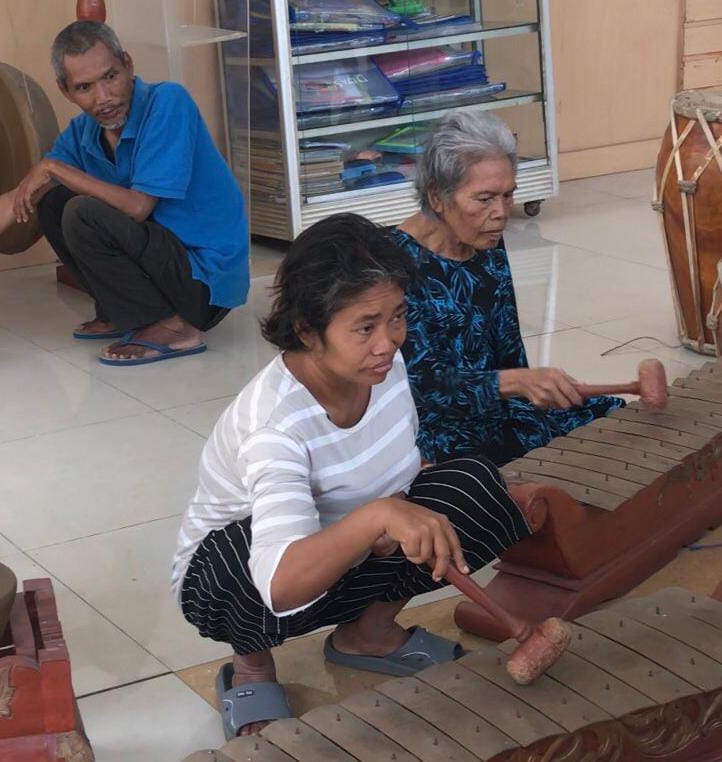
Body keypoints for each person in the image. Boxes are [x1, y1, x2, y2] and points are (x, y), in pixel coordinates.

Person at [171, 214, 531, 739]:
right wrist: (378, 518)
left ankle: (368, 634)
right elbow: (279, 586)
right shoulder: (274, 426)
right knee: (235, 554)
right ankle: (251, 669)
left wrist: (397, 514)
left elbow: (395, 463)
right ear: (307, 330)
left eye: (397, 317)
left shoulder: (381, 363)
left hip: (350, 550)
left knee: (473, 487)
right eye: (365, 326)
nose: (388, 342)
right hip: (249, 583)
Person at [0, 20, 249, 366]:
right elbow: (15, 200)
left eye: (110, 77)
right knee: (52, 201)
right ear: (65, 90)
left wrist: (55, 169)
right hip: (164, 264)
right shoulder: (82, 133)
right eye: (84, 87)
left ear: (128, 65)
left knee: (82, 210)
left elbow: (139, 207)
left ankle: (175, 329)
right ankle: (122, 312)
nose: (104, 98)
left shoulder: (168, 103)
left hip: (205, 283)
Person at [395, 111, 624, 465]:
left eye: (508, 195)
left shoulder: (484, 241)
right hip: (436, 435)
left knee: (617, 420)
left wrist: (536, 389)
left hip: (501, 413)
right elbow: (419, 387)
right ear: (437, 197)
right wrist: (514, 382)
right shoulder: (391, 265)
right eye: (484, 199)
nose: (501, 212)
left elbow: (509, 353)